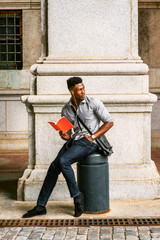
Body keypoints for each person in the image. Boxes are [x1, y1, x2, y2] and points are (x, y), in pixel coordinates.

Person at [22, 77, 113, 218]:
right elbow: (69, 134)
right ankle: (40, 206)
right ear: (72, 91)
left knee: (63, 161)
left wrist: (92, 136)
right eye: (79, 89)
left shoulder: (93, 103)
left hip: (90, 143)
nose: (83, 91)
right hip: (75, 141)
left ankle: (77, 198)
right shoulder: (66, 110)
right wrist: (64, 135)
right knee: (54, 167)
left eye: (83, 88)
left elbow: (109, 122)